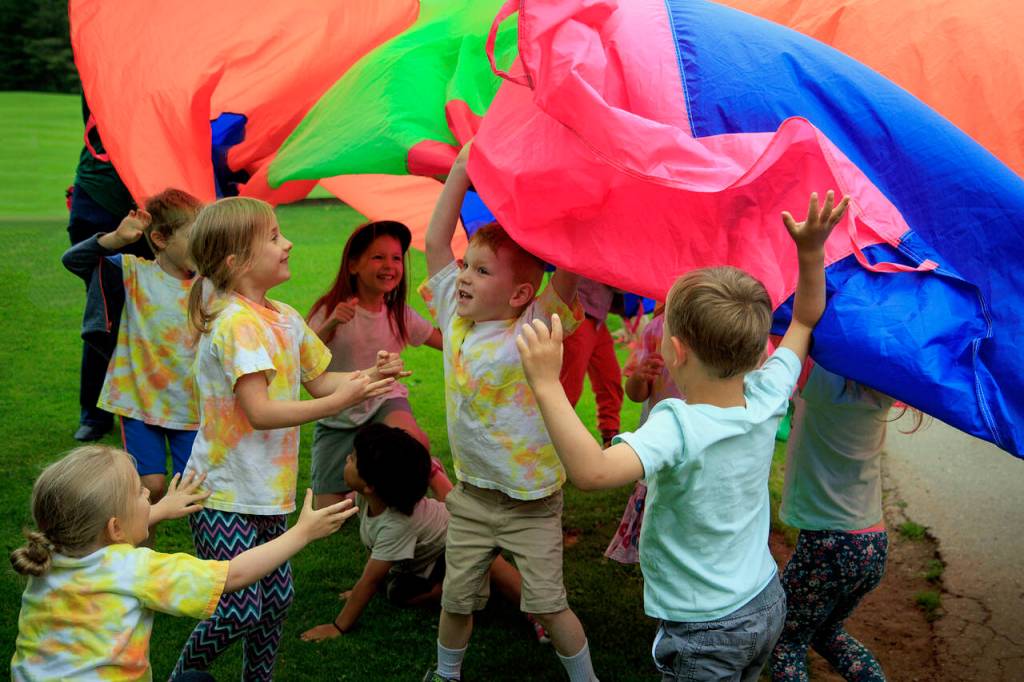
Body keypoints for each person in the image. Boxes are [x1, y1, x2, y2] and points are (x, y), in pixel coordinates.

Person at [519, 191, 850, 681]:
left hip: (705, 629)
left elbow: (590, 472)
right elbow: (804, 319)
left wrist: (546, 384)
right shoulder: (768, 393)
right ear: (759, 349)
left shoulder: (677, 425)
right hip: (764, 601)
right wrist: (811, 252)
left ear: (675, 351)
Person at [171, 197, 405, 680]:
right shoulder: (236, 323)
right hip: (222, 493)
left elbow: (321, 380)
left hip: (266, 492)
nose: (288, 243)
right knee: (238, 608)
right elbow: (260, 412)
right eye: (275, 237)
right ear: (237, 261)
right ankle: (181, 677)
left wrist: (369, 376)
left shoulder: (284, 317)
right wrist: (343, 401)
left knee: (275, 601)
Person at [420, 143, 597, 682]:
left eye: (482, 270)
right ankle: (446, 675)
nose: (465, 277)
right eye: (466, 266)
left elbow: (568, 267)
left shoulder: (535, 326)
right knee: (457, 601)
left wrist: (573, 205)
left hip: (532, 502)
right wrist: (459, 170)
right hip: (471, 496)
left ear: (522, 292)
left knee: (548, 604)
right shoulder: (455, 313)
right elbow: (433, 240)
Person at [10, 445, 356, 681]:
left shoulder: (49, 556)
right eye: (139, 493)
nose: (148, 493)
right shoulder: (135, 569)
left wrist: (160, 509)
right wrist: (302, 533)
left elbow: (101, 534)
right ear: (115, 528)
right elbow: (234, 574)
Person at [299, 424, 547, 643]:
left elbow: (371, 579)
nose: (346, 460)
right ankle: (451, 585)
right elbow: (375, 563)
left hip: (462, 538)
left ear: (370, 485)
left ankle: (540, 612)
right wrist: (359, 591)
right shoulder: (369, 499)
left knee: (493, 564)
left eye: (352, 459)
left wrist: (338, 626)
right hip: (435, 557)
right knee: (398, 594)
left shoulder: (396, 524)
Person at [770, 365, 920, 681]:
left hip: (828, 545)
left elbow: (800, 335)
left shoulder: (818, 377)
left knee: (786, 642)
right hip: (872, 544)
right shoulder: (882, 387)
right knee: (827, 633)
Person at [62, 189, 203, 505]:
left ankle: (198, 554)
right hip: (139, 397)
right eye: (195, 236)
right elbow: (73, 260)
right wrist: (115, 238)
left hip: (190, 401)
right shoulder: (132, 271)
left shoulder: (208, 282)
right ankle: (143, 552)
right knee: (149, 485)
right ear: (161, 239)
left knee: (189, 492)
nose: (203, 244)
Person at [307, 220, 447, 510]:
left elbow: (443, 341)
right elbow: (300, 357)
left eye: (396, 258)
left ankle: (429, 469)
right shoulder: (329, 310)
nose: (390, 265)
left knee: (411, 443)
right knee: (328, 511)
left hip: (384, 400)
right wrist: (331, 322)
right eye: (378, 257)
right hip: (338, 414)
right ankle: (363, 488)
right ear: (353, 265)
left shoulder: (399, 314)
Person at [67, 95, 153, 442]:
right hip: (100, 202)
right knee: (104, 311)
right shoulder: (106, 73)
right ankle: (96, 413)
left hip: (154, 203)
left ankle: (152, 407)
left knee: (159, 313)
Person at [604, 305, 682, 564]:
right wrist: (639, 377)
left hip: (692, 441)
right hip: (657, 438)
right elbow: (637, 394)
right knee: (658, 507)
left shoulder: (719, 327)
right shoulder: (657, 328)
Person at [559, 278, 624, 446]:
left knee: (610, 379)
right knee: (569, 385)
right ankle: (551, 439)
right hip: (578, 314)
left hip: (597, 319)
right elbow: (614, 280)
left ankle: (610, 437)